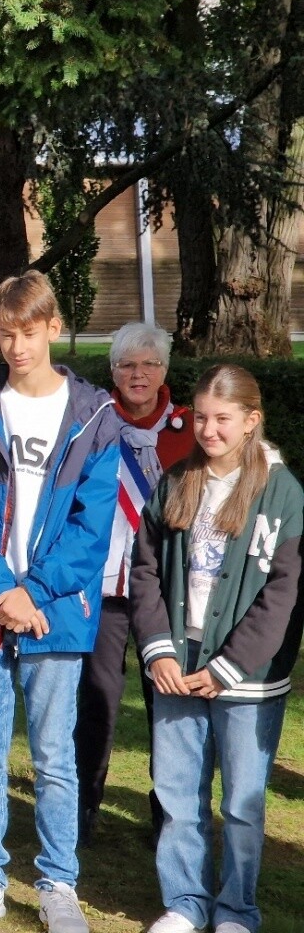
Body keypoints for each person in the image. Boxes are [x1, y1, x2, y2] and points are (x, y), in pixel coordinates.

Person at [0, 272, 119, 933]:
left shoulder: (95, 415)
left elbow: (91, 529)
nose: (16, 345)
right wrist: (2, 589)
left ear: (53, 327)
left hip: (55, 611)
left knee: (54, 759)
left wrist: (32, 592)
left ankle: (57, 884)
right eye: (5, 332)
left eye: (28, 331)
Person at [130, 364, 304, 933]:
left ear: (252, 421)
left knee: (243, 805)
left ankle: (237, 910)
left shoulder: (283, 493)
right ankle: (184, 902)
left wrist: (229, 666)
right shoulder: (177, 480)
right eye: (201, 417)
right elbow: (146, 570)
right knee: (179, 795)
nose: (208, 430)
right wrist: (158, 652)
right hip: (178, 668)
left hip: (246, 677)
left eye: (223, 419)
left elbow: (283, 592)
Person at [75, 322, 194, 844]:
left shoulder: (191, 427)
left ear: (164, 370)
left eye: (149, 364)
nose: (138, 374)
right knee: (97, 699)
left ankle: (167, 813)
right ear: (112, 371)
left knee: (165, 703)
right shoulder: (90, 422)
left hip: (164, 591)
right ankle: (83, 805)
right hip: (101, 587)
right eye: (127, 365)